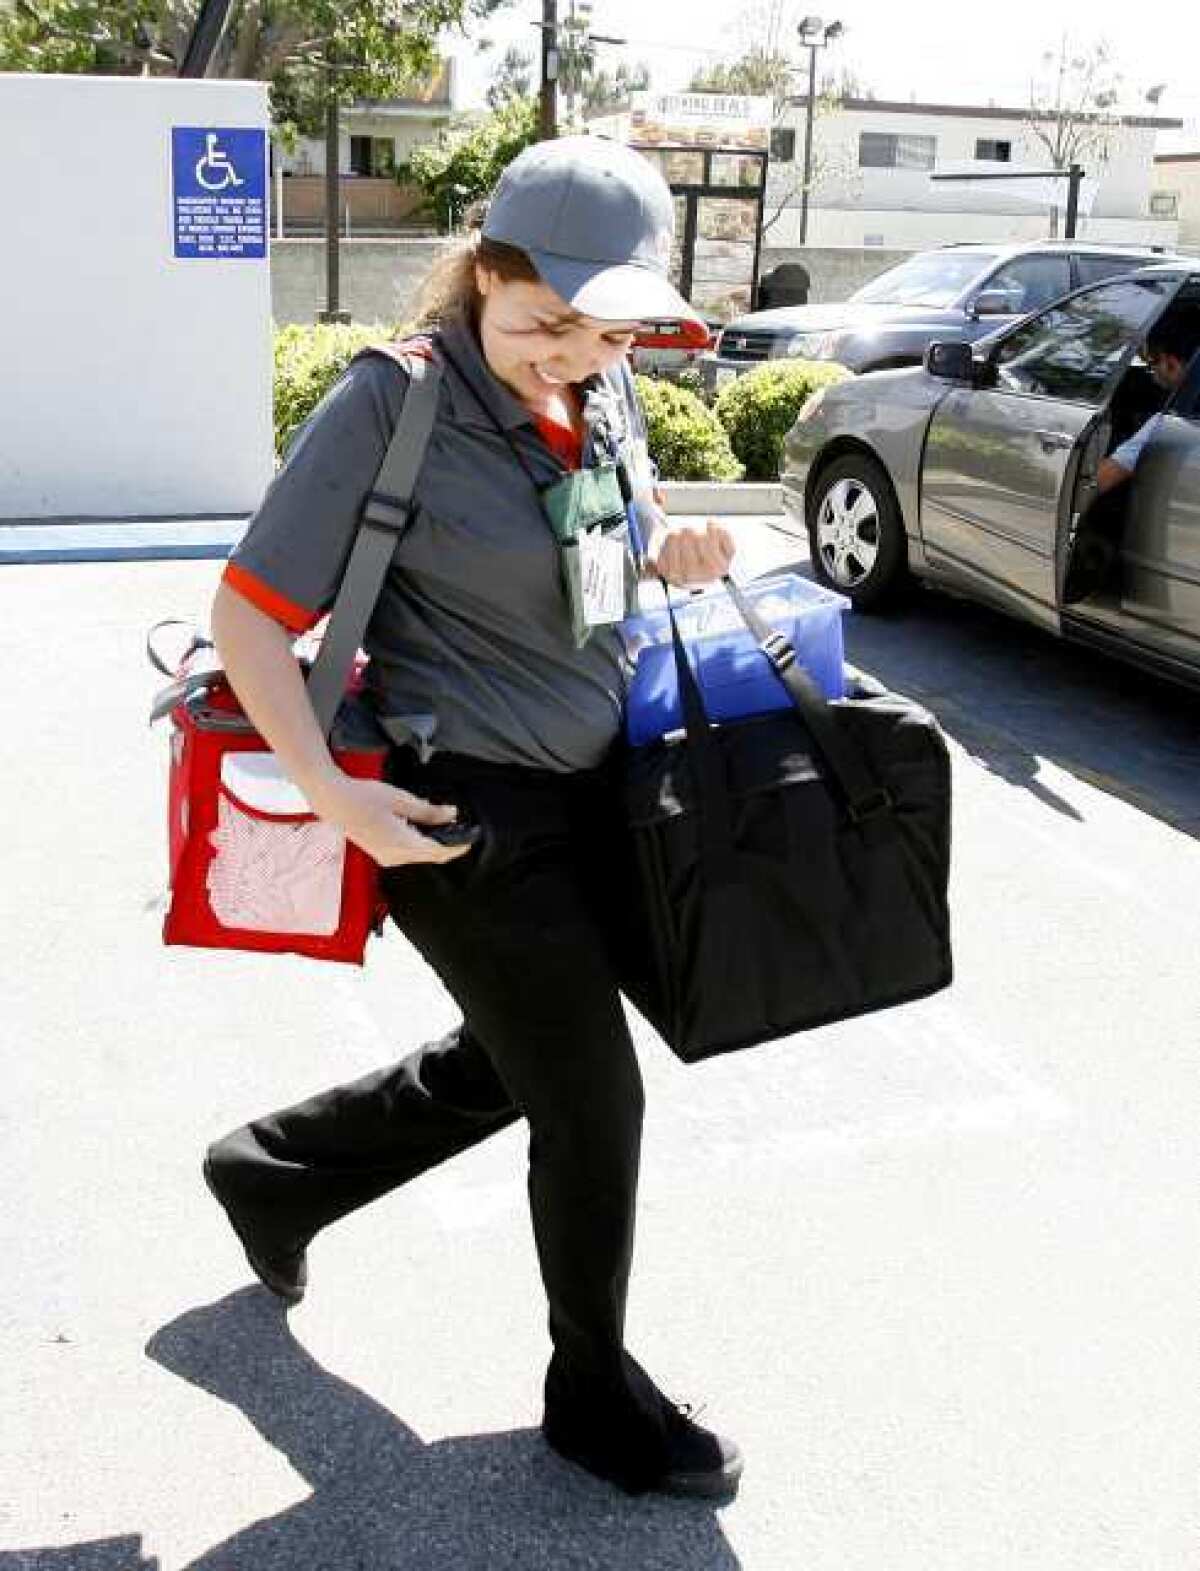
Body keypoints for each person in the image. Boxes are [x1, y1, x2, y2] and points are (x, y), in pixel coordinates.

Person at [201, 135, 744, 1500]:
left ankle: (273, 1171)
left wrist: (676, 542)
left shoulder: (602, 389)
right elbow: (248, 620)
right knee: (592, 1093)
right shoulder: (396, 402)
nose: (568, 350)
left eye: (600, 325)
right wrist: (339, 797)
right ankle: (593, 1390)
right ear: (479, 273)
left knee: (516, 1062)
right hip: (455, 808)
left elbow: (612, 538)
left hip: (593, 788)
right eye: (539, 320)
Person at [1097, 315, 1200, 493]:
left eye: (1152, 363)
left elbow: (1102, 480)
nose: (1152, 373)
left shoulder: (1166, 426)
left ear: (1172, 363)